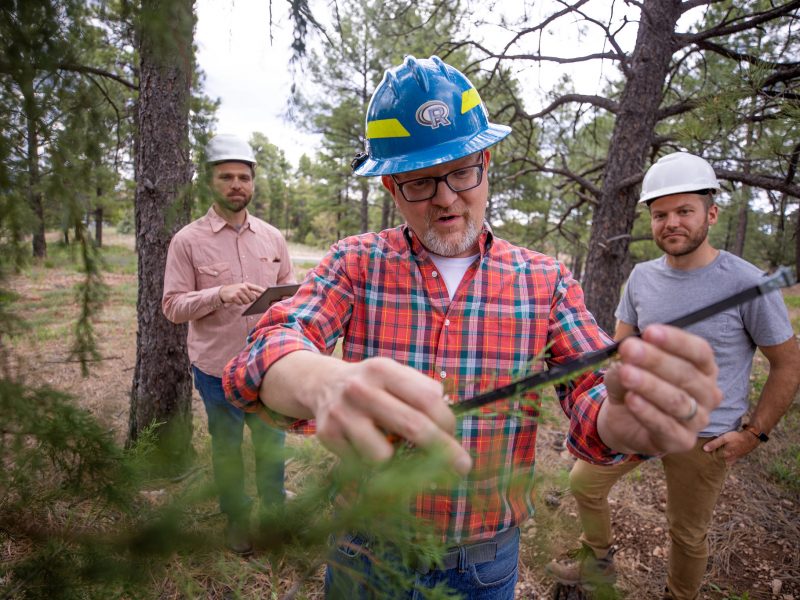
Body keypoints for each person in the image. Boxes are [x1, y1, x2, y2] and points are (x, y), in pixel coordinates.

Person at [223, 57, 722, 598]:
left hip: (482, 564)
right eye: (419, 181)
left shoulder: (544, 278)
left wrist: (621, 419)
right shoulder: (354, 262)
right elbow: (265, 351)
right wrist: (322, 381)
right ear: (392, 188)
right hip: (363, 549)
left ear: (486, 164)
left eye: (461, 170)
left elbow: (591, 389)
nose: (445, 197)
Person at [546, 151, 800, 599]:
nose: (672, 223)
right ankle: (597, 560)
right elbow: (624, 352)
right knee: (583, 484)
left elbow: (788, 363)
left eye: (685, 210)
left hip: (707, 435)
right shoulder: (641, 278)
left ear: (711, 213)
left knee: (686, 532)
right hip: (642, 420)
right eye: (660, 214)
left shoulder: (746, 283)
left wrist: (753, 433)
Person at [163, 133, 296, 555]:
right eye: (226, 177)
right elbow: (171, 306)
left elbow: (287, 295)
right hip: (216, 368)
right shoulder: (187, 240)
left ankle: (273, 512)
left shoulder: (273, 238)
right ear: (211, 182)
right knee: (227, 449)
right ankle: (237, 518)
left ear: (253, 183)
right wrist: (218, 294)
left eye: (244, 177)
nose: (237, 184)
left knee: (271, 444)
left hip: (267, 366)